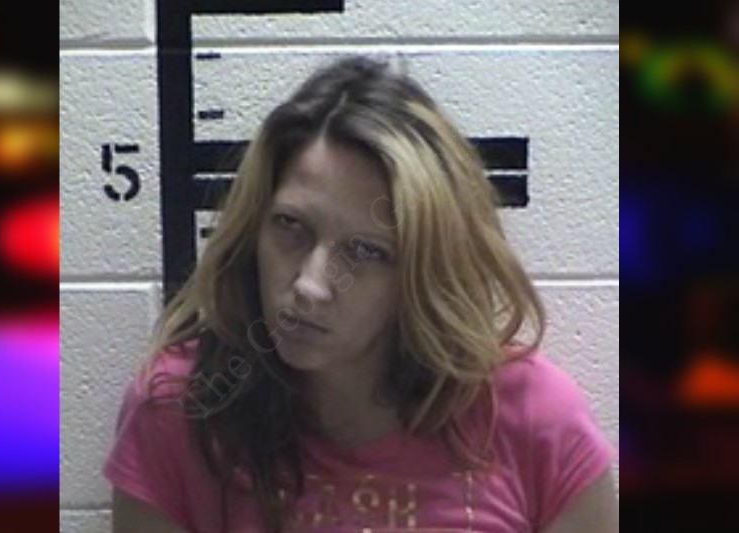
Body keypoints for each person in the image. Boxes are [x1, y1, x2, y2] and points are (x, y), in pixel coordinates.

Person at [103, 54, 618, 533]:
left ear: (422, 272)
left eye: (366, 251)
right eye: (290, 225)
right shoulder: (178, 410)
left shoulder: (535, 419)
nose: (309, 285)